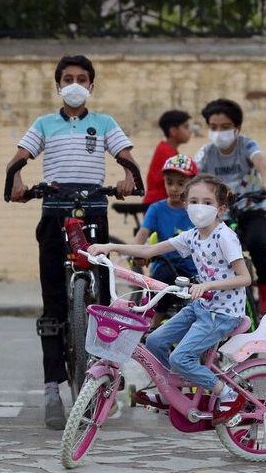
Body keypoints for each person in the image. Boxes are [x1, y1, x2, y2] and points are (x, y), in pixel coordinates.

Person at [6, 54, 138, 430]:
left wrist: (129, 177)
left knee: (104, 298)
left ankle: (106, 373)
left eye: (82, 78)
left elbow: (127, 159)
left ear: (91, 86)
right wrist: (16, 181)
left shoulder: (105, 123)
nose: (75, 84)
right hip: (54, 215)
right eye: (68, 79)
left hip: (94, 214)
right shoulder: (44, 124)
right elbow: (19, 159)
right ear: (58, 86)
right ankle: (52, 389)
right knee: (52, 301)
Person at [87, 173, 250, 421]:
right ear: (186, 205)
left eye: (207, 202)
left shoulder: (224, 237)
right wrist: (110, 247)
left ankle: (227, 394)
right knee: (154, 341)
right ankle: (169, 390)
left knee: (180, 358)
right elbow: (149, 250)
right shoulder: (192, 236)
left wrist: (207, 285)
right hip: (202, 307)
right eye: (194, 201)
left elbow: (244, 278)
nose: (200, 207)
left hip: (223, 313)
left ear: (220, 209)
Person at [194, 98, 266, 313]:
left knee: (257, 242)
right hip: (222, 212)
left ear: (237, 128)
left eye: (225, 127)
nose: (218, 132)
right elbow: (194, 175)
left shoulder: (247, 145)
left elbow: (261, 162)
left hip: (252, 206)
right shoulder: (206, 152)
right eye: (213, 127)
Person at [132, 154, 199, 327]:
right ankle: (153, 326)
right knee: (163, 281)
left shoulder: (197, 210)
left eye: (180, 183)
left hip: (195, 268)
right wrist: (137, 253)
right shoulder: (157, 209)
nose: (174, 188)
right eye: (169, 182)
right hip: (167, 264)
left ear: (192, 184)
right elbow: (142, 234)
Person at [142, 109, 193, 205]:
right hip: (159, 203)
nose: (189, 131)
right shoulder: (166, 153)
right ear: (173, 131)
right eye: (186, 127)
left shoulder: (167, 150)